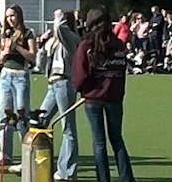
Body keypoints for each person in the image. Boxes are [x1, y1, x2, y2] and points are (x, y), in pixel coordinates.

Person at [73, 9, 134, 182]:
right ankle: (127, 179)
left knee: (99, 142)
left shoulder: (86, 45)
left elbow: (79, 74)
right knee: (117, 139)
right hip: (115, 98)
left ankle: (103, 179)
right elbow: (121, 71)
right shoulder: (119, 45)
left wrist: (83, 90)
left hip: (93, 99)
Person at [38, 9, 82, 182]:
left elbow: (61, 29)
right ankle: (37, 161)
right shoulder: (54, 42)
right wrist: (42, 47)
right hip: (53, 84)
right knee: (39, 120)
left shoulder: (71, 37)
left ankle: (68, 171)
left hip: (65, 83)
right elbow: (41, 65)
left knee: (68, 128)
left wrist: (58, 15)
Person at [0, 6, 37, 168]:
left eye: (13, 15)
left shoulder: (28, 33)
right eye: (7, 16)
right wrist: (3, 54)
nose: (10, 19)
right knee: (3, 115)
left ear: (19, 15)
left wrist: (17, 47)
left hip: (20, 76)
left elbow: (32, 55)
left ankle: (26, 154)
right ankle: (5, 153)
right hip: (6, 75)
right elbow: (1, 58)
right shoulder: (5, 34)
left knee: (22, 115)